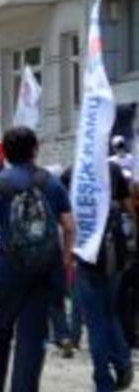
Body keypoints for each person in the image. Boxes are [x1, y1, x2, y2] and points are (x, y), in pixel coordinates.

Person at [0, 127, 75, 392]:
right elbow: (70, 226)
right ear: (35, 149)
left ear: (4, 152)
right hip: (42, 273)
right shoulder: (51, 183)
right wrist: (64, 260)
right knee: (31, 340)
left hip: (7, 270)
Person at [64, 161, 136, 391]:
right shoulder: (113, 170)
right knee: (110, 314)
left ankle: (104, 381)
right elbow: (130, 211)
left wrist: (66, 253)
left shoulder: (71, 173)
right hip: (115, 256)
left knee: (96, 321)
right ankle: (123, 362)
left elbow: (63, 215)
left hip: (87, 256)